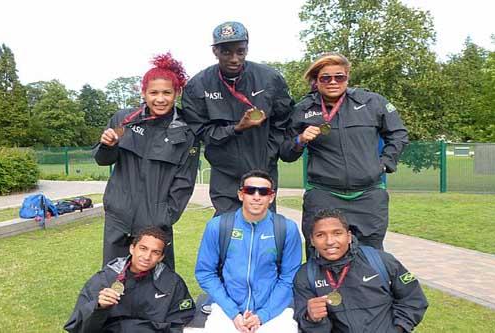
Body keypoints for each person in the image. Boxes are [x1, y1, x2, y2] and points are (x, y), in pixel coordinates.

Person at [280, 52, 409, 252]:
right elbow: (287, 153)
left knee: (370, 259)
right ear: (316, 80)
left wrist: (384, 163)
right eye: (325, 78)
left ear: (347, 77)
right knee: (322, 254)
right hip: (324, 195)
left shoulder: (372, 102)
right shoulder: (303, 109)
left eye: (339, 77)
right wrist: (301, 139)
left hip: (368, 195)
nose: (333, 82)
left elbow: (398, 134)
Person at [94, 52, 200, 269]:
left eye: (166, 93)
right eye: (153, 92)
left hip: (156, 225)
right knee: (113, 280)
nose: (160, 99)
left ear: (176, 93)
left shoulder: (186, 133)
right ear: (143, 93)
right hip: (119, 220)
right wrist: (107, 145)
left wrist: (163, 218)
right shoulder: (124, 119)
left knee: (158, 286)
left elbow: (184, 182)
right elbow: (103, 160)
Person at [182, 21, 294, 215]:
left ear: (247, 49)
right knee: (227, 233)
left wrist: (269, 154)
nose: (234, 58)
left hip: (263, 172)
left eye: (240, 51)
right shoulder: (197, 86)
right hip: (224, 176)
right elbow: (200, 131)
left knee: (264, 233)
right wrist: (236, 128)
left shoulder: (270, 79)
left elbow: (283, 121)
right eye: (226, 52)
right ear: (215, 51)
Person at [195, 170, 302, 333]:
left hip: (273, 311)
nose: (257, 196)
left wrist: (262, 315)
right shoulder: (218, 226)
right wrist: (233, 313)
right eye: (250, 190)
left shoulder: (287, 228)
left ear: (271, 197)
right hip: (227, 310)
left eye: (263, 192)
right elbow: (205, 273)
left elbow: (289, 277)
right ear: (240, 194)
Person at [293, 209, 428, 333]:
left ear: (349, 236)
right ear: (312, 240)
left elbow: (413, 299)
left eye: (337, 233)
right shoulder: (305, 275)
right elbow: (308, 326)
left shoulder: (381, 261)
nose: (329, 241)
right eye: (320, 235)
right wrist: (311, 319)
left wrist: (399, 329)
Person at [64, 226, 195, 333]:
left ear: (161, 257)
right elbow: (76, 327)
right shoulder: (104, 279)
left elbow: (181, 320)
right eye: (143, 249)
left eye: (155, 252)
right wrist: (98, 307)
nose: (147, 256)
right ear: (132, 248)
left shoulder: (172, 283)